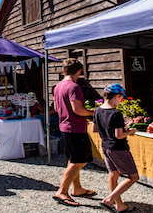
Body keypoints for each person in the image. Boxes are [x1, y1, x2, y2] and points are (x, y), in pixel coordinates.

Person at [52, 58, 96, 207]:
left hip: (64, 126)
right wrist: (93, 112)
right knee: (80, 160)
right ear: (80, 71)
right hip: (75, 128)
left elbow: (57, 109)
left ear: (63, 71)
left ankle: (77, 188)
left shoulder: (58, 86)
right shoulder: (74, 87)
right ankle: (62, 191)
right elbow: (78, 110)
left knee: (73, 159)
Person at [93, 84, 139, 213]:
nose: (121, 101)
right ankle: (109, 200)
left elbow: (94, 129)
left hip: (105, 146)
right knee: (133, 177)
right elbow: (119, 136)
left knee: (113, 174)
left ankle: (119, 205)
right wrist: (130, 131)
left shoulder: (97, 110)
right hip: (118, 148)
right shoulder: (116, 113)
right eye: (121, 98)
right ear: (117, 96)